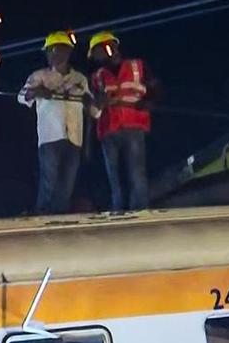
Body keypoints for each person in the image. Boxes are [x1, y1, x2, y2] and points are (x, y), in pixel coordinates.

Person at [18, 31, 95, 214]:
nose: (53, 55)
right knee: (49, 181)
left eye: (56, 50)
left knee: (67, 182)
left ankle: (60, 217)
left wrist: (92, 102)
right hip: (50, 135)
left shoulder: (79, 79)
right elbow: (21, 97)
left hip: (74, 136)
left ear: (67, 51)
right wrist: (36, 92)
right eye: (50, 51)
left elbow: (94, 110)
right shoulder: (40, 76)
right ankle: (43, 215)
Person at [88, 31, 159, 211]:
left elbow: (155, 89)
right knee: (114, 174)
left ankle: (140, 208)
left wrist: (148, 102)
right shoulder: (97, 76)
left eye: (96, 52)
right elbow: (93, 110)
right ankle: (118, 207)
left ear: (107, 48)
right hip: (108, 129)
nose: (95, 57)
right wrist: (100, 103)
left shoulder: (137, 66)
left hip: (133, 124)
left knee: (136, 171)